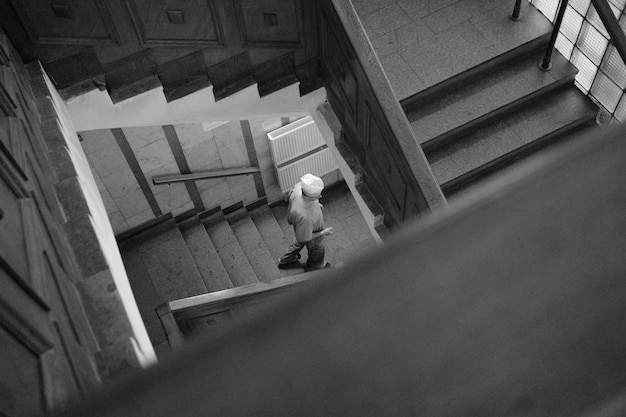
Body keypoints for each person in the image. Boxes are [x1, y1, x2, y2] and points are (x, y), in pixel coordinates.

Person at [278, 173, 333, 270]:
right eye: (318, 196)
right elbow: (304, 238)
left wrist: (317, 205)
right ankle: (316, 265)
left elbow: (290, 195)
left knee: (297, 243)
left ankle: (285, 260)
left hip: (300, 223)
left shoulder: (298, 187)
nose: (320, 196)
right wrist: (323, 232)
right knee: (318, 249)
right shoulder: (306, 217)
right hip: (311, 232)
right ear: (310, 197)